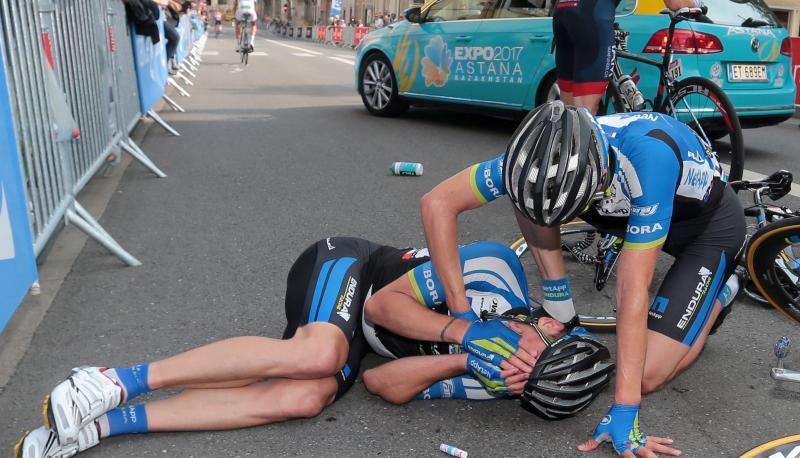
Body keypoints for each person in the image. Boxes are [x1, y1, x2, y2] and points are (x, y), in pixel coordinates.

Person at [14, 237, 584, 458]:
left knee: (306, 397)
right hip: (351, 269)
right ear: (550, 328)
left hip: (362, 344)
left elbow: (382, 384)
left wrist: (467, 364)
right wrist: (465, 333)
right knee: (318, 356)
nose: (521, 365)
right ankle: (113, 380)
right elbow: (384, 308)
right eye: (535, 354)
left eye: (527, 377)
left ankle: (100, 427)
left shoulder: (498, 380)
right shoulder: (496, 270)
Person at [417, 101, 745, 456]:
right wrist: (463, 319)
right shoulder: (541, 152)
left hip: (704, 229)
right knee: (525, 192)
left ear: (599, 176)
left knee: (647, 376)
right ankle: (561, 306)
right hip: (625, 210)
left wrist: (625, 409)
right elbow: (437, 204)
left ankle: (722, 294)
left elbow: (631, 289)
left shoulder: (650, 159)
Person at [553, 0, 699, 114]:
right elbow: (675, 3)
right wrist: (698, 4)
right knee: (583, 116)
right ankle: (581, 150)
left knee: (569, 112)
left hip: (562, 12)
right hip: (590, 16)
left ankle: (563, 150)